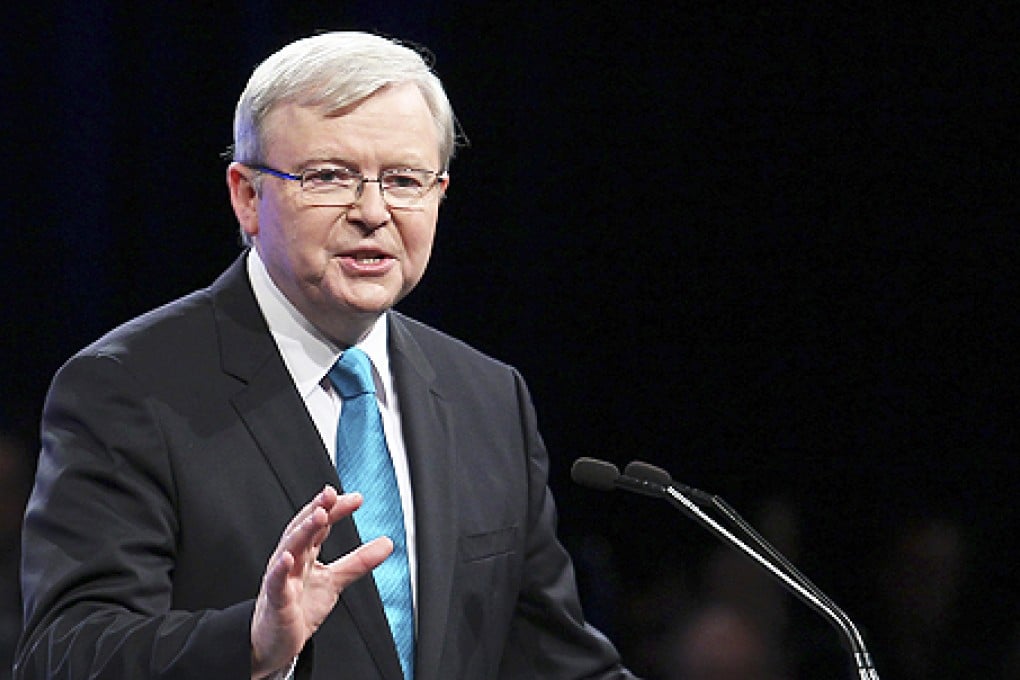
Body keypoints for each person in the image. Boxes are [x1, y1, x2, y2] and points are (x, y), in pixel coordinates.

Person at [14, 31, 637, 680]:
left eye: (403, 180)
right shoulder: (129, 388)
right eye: (330, 176)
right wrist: (253, 646)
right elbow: (64, 654)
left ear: (440, 193)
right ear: (247, 196)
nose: (373, 212)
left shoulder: (488, 396)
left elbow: (555, 662)